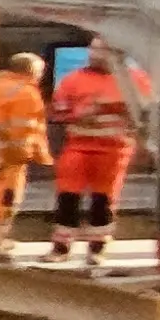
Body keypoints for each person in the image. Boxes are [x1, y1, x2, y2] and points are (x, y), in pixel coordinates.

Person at [44, 52, 143, 270]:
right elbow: (58, 112)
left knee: (104, 199)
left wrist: (118, 108)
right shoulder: (72, 79)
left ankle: (97, 248)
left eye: (101, 50)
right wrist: (80, 113)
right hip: (78, 146)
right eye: (93, 50)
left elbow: (146, 111)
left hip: (115, 149)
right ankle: (61, 246)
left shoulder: (135, 79)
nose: (95, 55)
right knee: (67, 196)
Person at [0, 52, 49, 263]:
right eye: (40, 71)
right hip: (10, 159)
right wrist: (33, 155)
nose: (41, 76)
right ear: (30, 71)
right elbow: (24, 131)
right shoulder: (27, 94)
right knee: (5, 201)